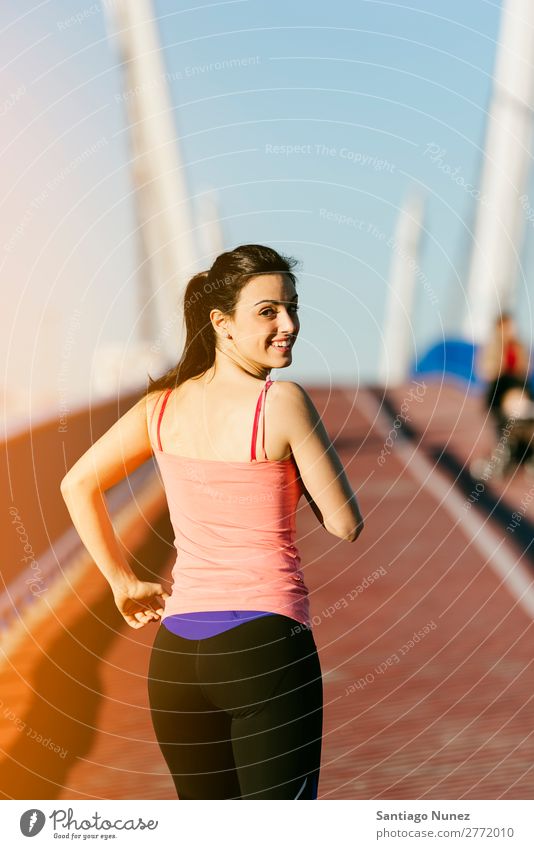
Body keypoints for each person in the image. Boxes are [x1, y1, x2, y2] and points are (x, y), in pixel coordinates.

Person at [60, 243, 364, 800]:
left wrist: (123, 582)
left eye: (293, 308)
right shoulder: (283, 402)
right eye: (268, 311)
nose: (289, 324)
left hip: (177, 657)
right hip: (266, 646)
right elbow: (345, 523)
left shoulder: (159, 407)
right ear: (221, 323)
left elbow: (76, 484)